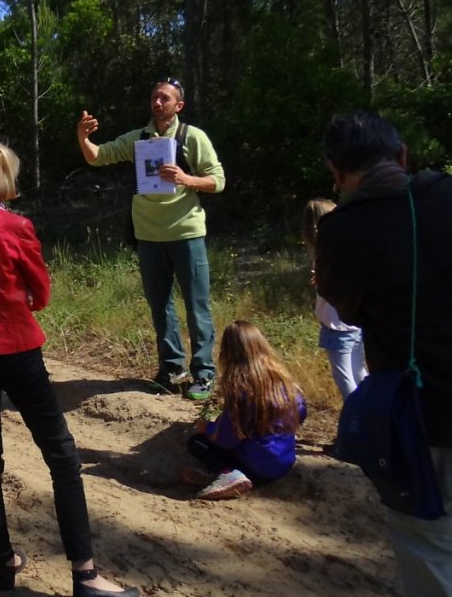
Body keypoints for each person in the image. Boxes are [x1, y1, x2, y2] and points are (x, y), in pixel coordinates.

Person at [0, 137, 140, 597]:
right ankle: (86, 575)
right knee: (62, 458)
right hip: (16, 350)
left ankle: (3, 561)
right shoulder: (15, 226)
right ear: (2, 177)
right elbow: (42, 294)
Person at [315, 111, 452, 596]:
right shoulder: (446, 194)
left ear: (336, 171)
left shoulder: (342, 229)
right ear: (402, 155)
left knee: (429, 545)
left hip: (423, 417)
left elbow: (345, 310)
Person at [76, 78, 225, 400]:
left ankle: (203, 373)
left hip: (187, 233)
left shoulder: (192, 137)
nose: (157, 103)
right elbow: (97, 156)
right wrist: (83, 137)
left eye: (165, 98)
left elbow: (218, 180)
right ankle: (172, 369)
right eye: (154, 97)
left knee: (197, 306)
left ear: (178, 105)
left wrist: (187, 179)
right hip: (148, 236)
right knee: (161, 307)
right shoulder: (138, 139)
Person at [182, 320, 307, 501]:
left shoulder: (241, 386)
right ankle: (218, 475)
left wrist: (207, 428)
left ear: (228, 351)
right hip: (285, 463)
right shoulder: (284, 380)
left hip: (258, 467)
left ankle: (229, 474)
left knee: (197, 443)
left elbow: (227, 438)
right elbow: (301, 414)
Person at [301, 198, 366, 401]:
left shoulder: (324, 254)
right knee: (360, 373)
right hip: (354, 321)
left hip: (336, 324)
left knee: (343, 376)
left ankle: (359, 419)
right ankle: (374, 415)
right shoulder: (349, 247)